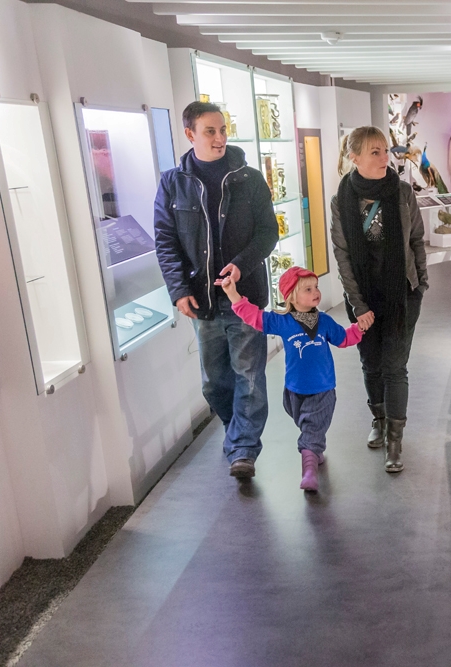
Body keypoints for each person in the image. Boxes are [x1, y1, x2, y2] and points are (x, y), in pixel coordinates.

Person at [154, 101, 278, 481]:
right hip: (202, 301)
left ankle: (243, 449)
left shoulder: (250, 178)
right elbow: (165, 240)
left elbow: (267, 232)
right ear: (190, 134)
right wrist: (178, 290)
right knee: (214, 382)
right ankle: (236, 432)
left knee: (250, 375)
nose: (220, 137)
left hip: (245, 299)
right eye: (210, 131)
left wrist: (241, 264)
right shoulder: (172, 183)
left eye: (223, 129)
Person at [330, 126, 429, 473]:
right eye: (375, 152)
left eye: (385, 150)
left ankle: (395, 440)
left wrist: (420, 284)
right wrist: (358, 306)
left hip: (401, 294)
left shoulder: (402, 193)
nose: (384, 157)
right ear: (353, 157)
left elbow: (417, 238)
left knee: (395, 366)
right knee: (370, 362)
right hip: (363, 296)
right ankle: (379, 417)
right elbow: (342, 256)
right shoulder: (341, 199)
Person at [218, 267, 362, 492]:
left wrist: (359, 328)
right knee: (307, 426)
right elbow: (253, 316)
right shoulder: (281, 321)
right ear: (291, 297)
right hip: (294, 390)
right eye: (308, 289)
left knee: (313, 427)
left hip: (323, 388)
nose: (316, 292)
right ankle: (314, 448)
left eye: (316, 287)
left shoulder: (324, 321)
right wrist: (232, 294)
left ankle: (309, 472)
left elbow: (343, 338)